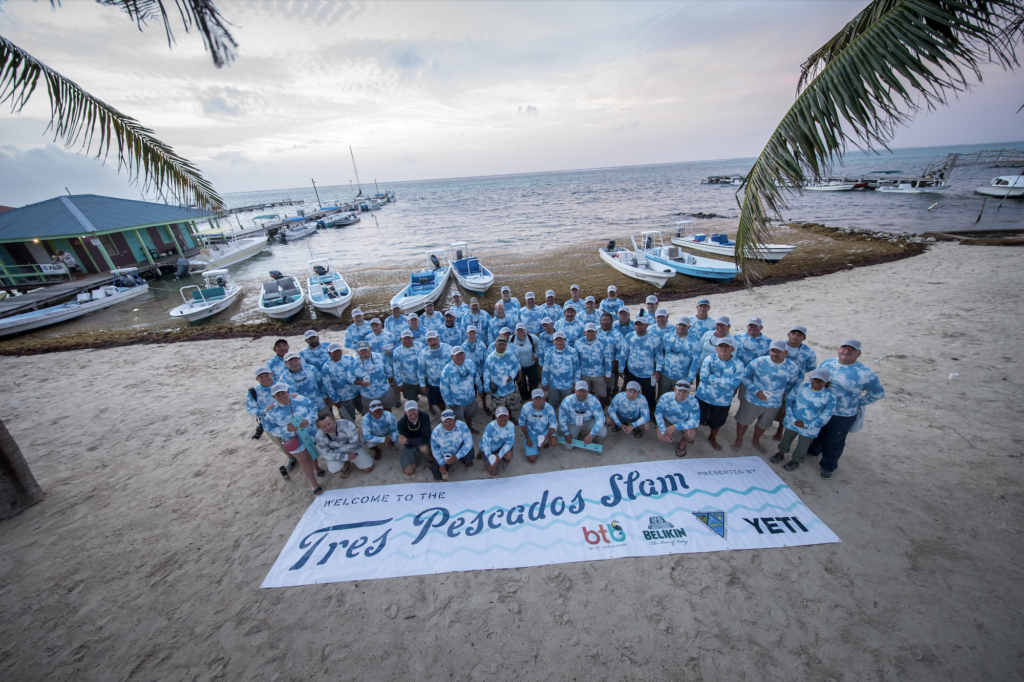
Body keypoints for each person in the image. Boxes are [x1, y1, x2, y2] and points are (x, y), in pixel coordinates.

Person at [807, 339, 885, 479]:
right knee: (816, 432)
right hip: (820, 408)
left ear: (858, 353)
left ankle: (828, 466)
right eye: (844, 347)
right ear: (839, 349)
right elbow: (814, 380)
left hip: (841, 415)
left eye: (852, 349)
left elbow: (878, 393)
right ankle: (813, 451)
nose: (846, 351)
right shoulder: (828, 363)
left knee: (834, 441)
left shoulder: (865, 373)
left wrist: (858, 403)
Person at [732, 339, 801, 453]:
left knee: (764, 424)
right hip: (753, 399)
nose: (775, 354)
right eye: (772, 351)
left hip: (774, 403)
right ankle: (739, 440)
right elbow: (745, 377)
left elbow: (791, 387)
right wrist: (756, 391)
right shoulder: (759, 362)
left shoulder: (792, 367)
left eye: (778, 351)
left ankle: (755, 440)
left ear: (786, 353)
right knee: (743, 420)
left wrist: (787, 404)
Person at [263, 384, 325, 495]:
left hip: (309, 433)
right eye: (278, 394)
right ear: (274, 397)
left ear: (288, 391)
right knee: (304, 460)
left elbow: (313, 408)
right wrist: (286, 429)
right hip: (293, 439)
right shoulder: (272, 412)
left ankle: (316, 467)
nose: (281, 396)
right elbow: (269, 428)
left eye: (283, 392)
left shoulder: (300, 399)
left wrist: (308, 420)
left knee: (312, 453)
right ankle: (313, 482)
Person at [771, 368, 836, 472]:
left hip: (810, 427)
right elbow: (790, 401)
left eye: (821, 381)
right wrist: (792, 418)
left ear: (827, 382)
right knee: (786, 439)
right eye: (815, 379)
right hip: (793, 422)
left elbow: (826, 415)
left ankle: (796, 460)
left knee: (803, 445)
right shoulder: (800, 387)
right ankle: (781, 453)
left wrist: (807, 425)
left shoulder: (830, 397)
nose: (817, 383)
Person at [695, 337, 744, 451]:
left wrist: (712, 376)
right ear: (716, 348)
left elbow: (734, 384)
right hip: (703, 396)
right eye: (721, 346)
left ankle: (712, 438)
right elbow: (703, 378)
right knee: (697, 418)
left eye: (727, 346)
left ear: (732, 348)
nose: (723, 348)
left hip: (723, 401)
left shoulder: (738, 364)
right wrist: (725, 380)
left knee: (717, 422)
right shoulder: (709, 359)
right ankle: (693, 436)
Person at [772, 325, 819, 440]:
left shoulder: (809, 352)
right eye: (793, 334)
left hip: (793, 386)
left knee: (786, 408)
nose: (795, 337)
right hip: (774, 383)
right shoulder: (779, 345)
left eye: (799, 335)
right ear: (788, 334)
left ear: (804, 338)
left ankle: (779, 430)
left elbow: (810, 367)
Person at [246, 366, 293, 463]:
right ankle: (291, 458)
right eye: (261, 377)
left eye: (267, 375)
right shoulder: (253, 392)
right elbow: (251, 410)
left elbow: (295, 398)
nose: (265, 379)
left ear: (271, 374)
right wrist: (264, 411)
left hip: (289, 420)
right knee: (281, 443)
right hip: (270, 424)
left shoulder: (283, 385)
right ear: (257, 379)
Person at [314, 412, 374, 479]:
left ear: (334, 419)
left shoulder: (347, 424)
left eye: (329, 424)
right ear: (320, 428)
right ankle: (345, 465)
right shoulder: (319, 436)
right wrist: (345, 457)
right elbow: (325, 454)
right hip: (339, 454)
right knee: (333, 469)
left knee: (368, 469)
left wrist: (339, 452)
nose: (328, 428)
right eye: (324, 427)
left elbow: (355, 444)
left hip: (353, 450)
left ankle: (349, 461)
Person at [622, 317, 661, 412]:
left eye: (641, 324)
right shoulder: (629, 336)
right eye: (636, 324)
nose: (638, 326)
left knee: (649, 395)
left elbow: (659, 356)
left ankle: (650, 412)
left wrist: (658, 371)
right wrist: (621, 368)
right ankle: (632, 411)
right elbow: (624, 353)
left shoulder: (655, 338)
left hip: (648, 373)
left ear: (646, 325)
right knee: (632, 393)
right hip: (632, 371)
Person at [440, 346, 483, 432]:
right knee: (458, 421)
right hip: (457, 402)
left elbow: (476, 376)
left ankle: (470, 427)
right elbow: (443, 388)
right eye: (457, 355)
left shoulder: (470, 363)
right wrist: (449, 403)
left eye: (461, 354)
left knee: (470, 415)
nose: (460, 357)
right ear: (452, 357)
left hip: (471, 398)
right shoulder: (447, 370)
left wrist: (480, 389)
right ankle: (460, 433)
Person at [656, 316, 700, 398]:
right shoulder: (667, 337)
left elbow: (695, 362)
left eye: (684, 325)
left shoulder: (694, 342)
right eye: (680, 325)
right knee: (662, 397)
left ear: (689, 327)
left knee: (679, 399)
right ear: (676, 325)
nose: (681, 327)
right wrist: (658, 370)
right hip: (665, 375)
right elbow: (661, 354)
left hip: (682, 377)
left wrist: (690, 378)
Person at [655, 380, 700, 457]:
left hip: (684, 422)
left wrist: (676, 427)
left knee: (691, 435)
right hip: (668, 420)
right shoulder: (665, 397)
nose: (681, 394)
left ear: (688, 392)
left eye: (685, 391)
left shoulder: (693, 401)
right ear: (675, 389)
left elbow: (695, 421)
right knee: (661, 437)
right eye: (679, 390)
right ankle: (667, 434)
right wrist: (663, 431)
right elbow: (658, 413)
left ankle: (682, 443)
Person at [557, 381, 607, 450]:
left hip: (588, 421)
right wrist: (566, 433)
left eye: (584, 391)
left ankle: (592, 439)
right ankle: (575, 434)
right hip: (573, 423)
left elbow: (601, 419)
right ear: (575, 390)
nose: (582, 393)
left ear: (588, 390)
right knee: (568, 447)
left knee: (603, 432)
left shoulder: (594, 401)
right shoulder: (567, 401)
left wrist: (592, 434)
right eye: (579, 391)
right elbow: (562, 418)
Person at [281, 352, 333, 419]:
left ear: (300, 360)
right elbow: (285, 394)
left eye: (296, 360)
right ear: (286, 363)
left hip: (319, 402)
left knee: (330, 422)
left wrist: (325, 396)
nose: (294, 363)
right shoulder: (283, 378)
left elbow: (321, 383)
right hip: (302, 408)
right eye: (290, 362)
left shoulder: (311, 369)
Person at [321, 342, 362, 421]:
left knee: (366, 413)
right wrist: (335, 400)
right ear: (329, 353)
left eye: (338, 351)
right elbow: (328, 386)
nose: (337, 353)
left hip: (357, 393)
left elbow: (358, 373)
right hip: (343, 398)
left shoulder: (349, 359)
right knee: (348, 420)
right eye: (334, 352)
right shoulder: (326, 367)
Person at [430, 409, 475, 481]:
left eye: (451, 420)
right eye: (446, 421)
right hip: (444, 454)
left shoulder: (462, 426)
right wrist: (441, 463)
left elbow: (469, 442)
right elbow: (434, 448)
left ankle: (464, 460)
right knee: (437, 475)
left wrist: (457, 456)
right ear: (442, 422)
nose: (449, 424)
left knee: (470, 454)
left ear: (455, 420)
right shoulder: (436, 432)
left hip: (458, 449)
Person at [575, 323, 613, 406]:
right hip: (584, 374)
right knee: (583, 395)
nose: (590, 333)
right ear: (584, 332)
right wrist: (576, 375)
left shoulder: (603, 342)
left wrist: (608, 374)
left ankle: (601, 411)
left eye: (592, 331)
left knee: (602, 395)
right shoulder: (578, 342)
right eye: (588, 331)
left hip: (599, 374)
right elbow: (576, 360)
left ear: (596, 332)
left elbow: (608, 359)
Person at [484, 334, 523, 416]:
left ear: (506, 345)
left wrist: (511, 376)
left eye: (503, 345)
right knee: (498, 411)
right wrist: (487, 388)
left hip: (510, 388)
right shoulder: (490, 358)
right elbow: (486, 374)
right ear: (495, 345)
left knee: (510, 407)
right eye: (499, 344)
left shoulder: (511, 355)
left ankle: (510, 417)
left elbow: (516, 367)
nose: (501, 347)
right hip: (497, 391)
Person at [542, 331, 582, 410]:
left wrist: (576, 382)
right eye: (557, 340)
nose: (559, 342)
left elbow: (577, 368)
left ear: (565, 340)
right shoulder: (549, 352)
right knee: (553, 403)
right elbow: (545, 368)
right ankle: (553, 418)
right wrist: (544, 382)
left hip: (568, 384)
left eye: (561, 340)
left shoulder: (572, 352)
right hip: (553, 384)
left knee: (568, 404)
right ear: (553, 341)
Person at [354, 341, 397, 412]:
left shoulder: (380, 357)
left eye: (366, 350)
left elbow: (388, 370)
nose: (364, 352)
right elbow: (350, 378)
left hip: (384, 391)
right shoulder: (353, 363)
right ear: (357, 351)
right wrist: (361, 382)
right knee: (372, 413)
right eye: (361, 350)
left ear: (370, 349)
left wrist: (391, 384)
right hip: (367, 395)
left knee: (387, 411)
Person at [418, 331, 453, 416]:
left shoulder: (448, 348)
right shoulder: (423, 353)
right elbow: (421, 370)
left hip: (450, 383)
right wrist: (422, 385)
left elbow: (454, 364)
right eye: (430, 341)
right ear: (427, 342)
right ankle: (444, 413)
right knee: (439, 401)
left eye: (434, 340)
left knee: (452, 400)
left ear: (438, 338)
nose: (433, 343)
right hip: (434, 384)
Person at [518, 388, 558, 463]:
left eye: (540, 398)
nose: (538, 401)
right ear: (532, 399)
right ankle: (535, 444)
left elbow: (554, 425)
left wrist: (546, 437)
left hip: (544, 432)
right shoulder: (526, 407)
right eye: (536, 398)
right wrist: (527, 438)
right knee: (532, 460)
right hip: (530, 434)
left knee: (554, 442)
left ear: (544, 399)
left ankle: (544, 442)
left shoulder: (549, 408)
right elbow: (522, 423)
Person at [397, 401, 432, 476]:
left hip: (415, 441)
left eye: (414, 410)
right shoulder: (401, 423)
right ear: (405, 412)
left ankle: (430, 455)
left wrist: (408, 441)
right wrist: (410, 442)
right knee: (409, 471)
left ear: (418, 409)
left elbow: (426, 438)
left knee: (425, 448)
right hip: (411, 444)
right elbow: (407, 445)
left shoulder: (425, 416)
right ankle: (416, 457)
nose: (412, 413)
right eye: (409, 411)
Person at [480, 407, 516, 475]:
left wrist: (498, 457)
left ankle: (501, 458)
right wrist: (491, 460)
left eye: (505, 416)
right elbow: (486, 445)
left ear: (508, 416)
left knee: (509, 455)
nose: (503, 419)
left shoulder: (511, 426)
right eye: (500, 417)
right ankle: (484, 455)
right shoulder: (490, 427)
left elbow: (509, 443)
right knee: (494, 472)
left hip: (501, 446)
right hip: (490, 448)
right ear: (496, 417)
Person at [598, 312, 626, 397]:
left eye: (608, 320)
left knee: (608, 382)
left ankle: (606, 396)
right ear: (600, 321)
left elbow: (620, 351)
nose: (605, 322)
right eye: (603, 320)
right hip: (596, 362)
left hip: (610, 362)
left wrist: (616, 364)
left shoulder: (617, 334)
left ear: (612, 321)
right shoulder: (595, 331)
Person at [392, 330, 425, 404]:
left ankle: (431, 408)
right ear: (401, 339)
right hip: (408, 381)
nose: (407, 340)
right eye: (404, 338)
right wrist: (399, 384)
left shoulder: (421, 346)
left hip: (422, 379)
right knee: (411, 400)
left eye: (409, 338)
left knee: (429, 396)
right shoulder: (397, 352)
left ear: (413, 338)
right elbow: (396, 369)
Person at [511, 323, 542, 400]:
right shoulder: (511, 339)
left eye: (522, 330)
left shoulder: (531, 338)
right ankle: (525, 398)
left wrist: (535, 355)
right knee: (521, 383)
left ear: (525, 331)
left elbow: (539, 344)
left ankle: (533, 397)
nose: (520, 331)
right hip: (519, 367)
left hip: (531, 365)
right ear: (515, 332)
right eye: (518, 330)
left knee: (534, 382)